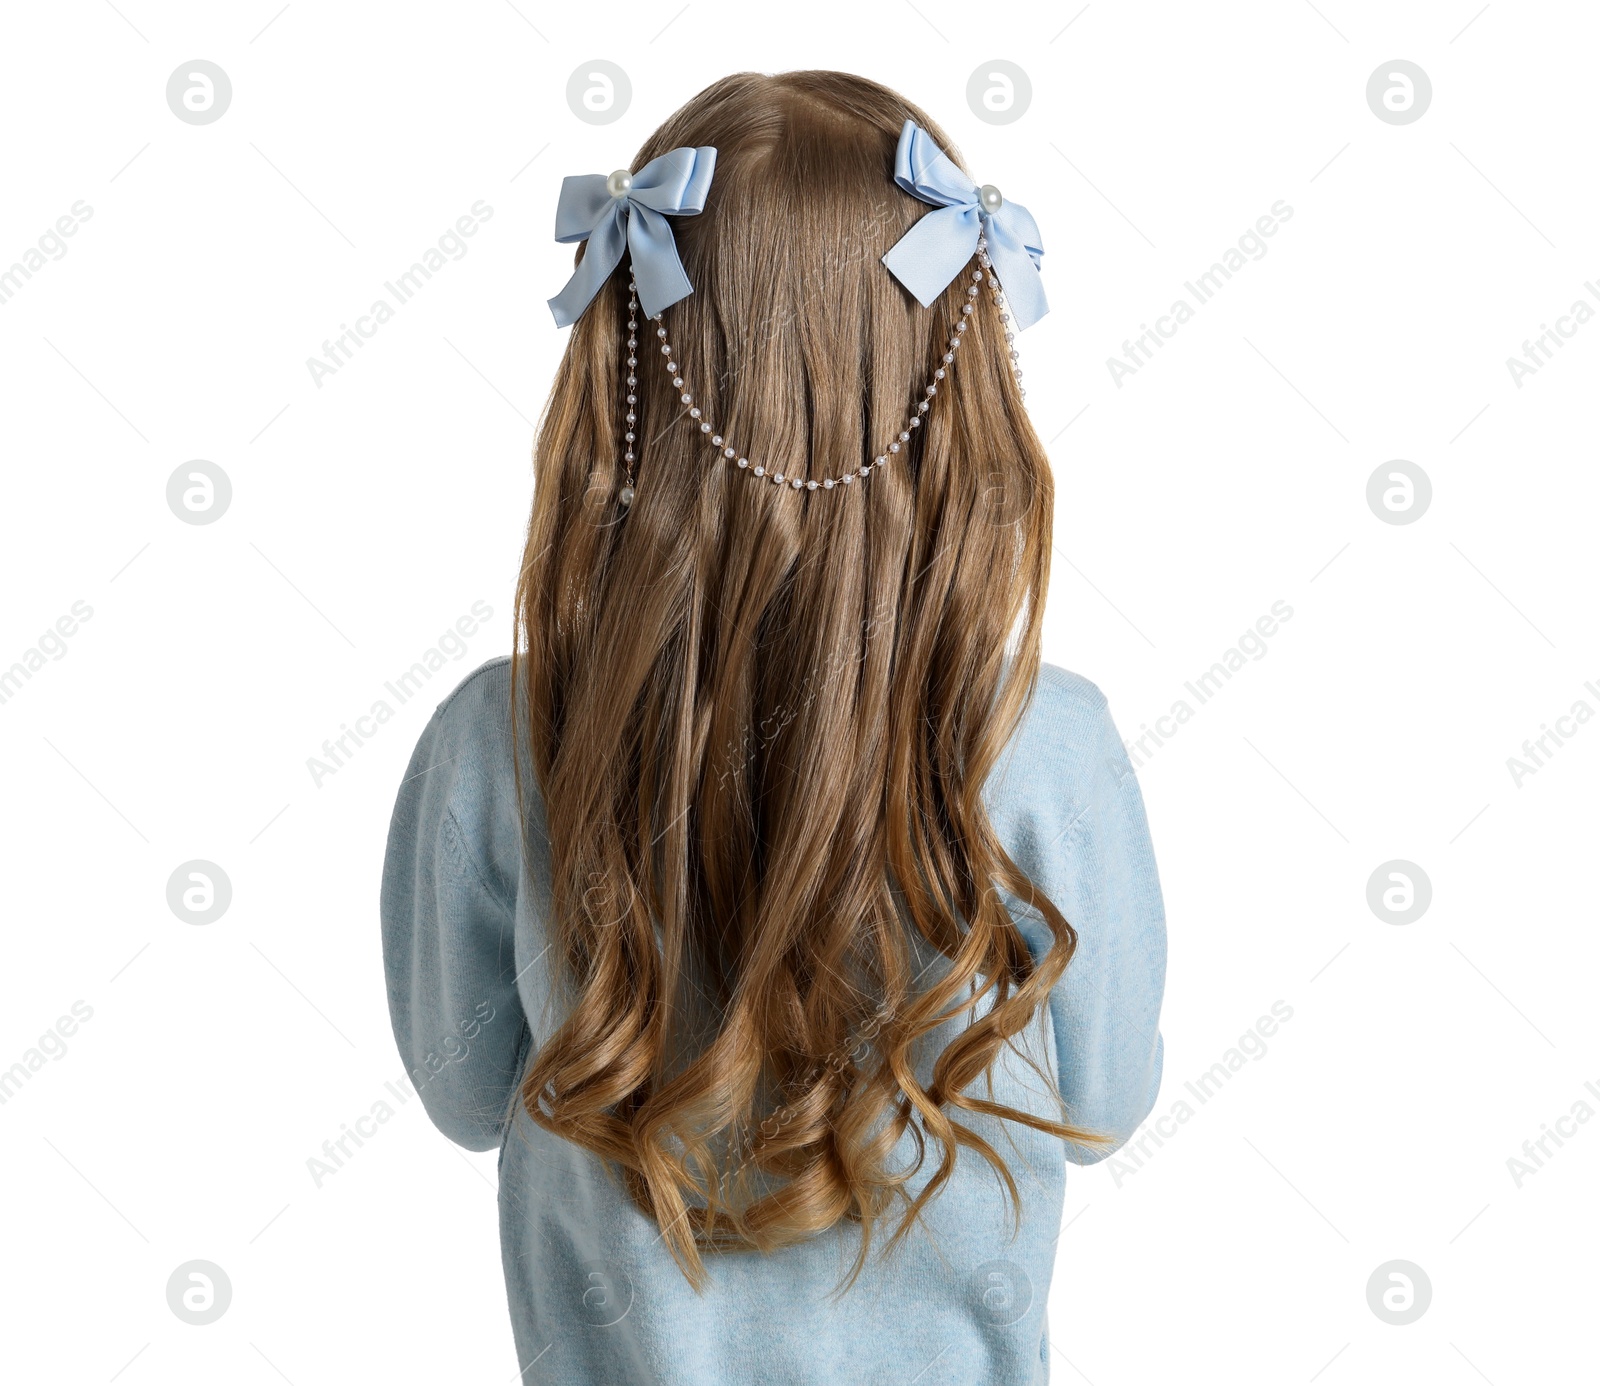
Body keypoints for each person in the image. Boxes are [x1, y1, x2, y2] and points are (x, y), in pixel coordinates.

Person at [381, 68, 1166, 1386]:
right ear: (957, 378)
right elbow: (1103, 1107)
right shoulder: (1049, 742)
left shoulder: (498, 739)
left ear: (619, 372)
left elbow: (466, 1101)